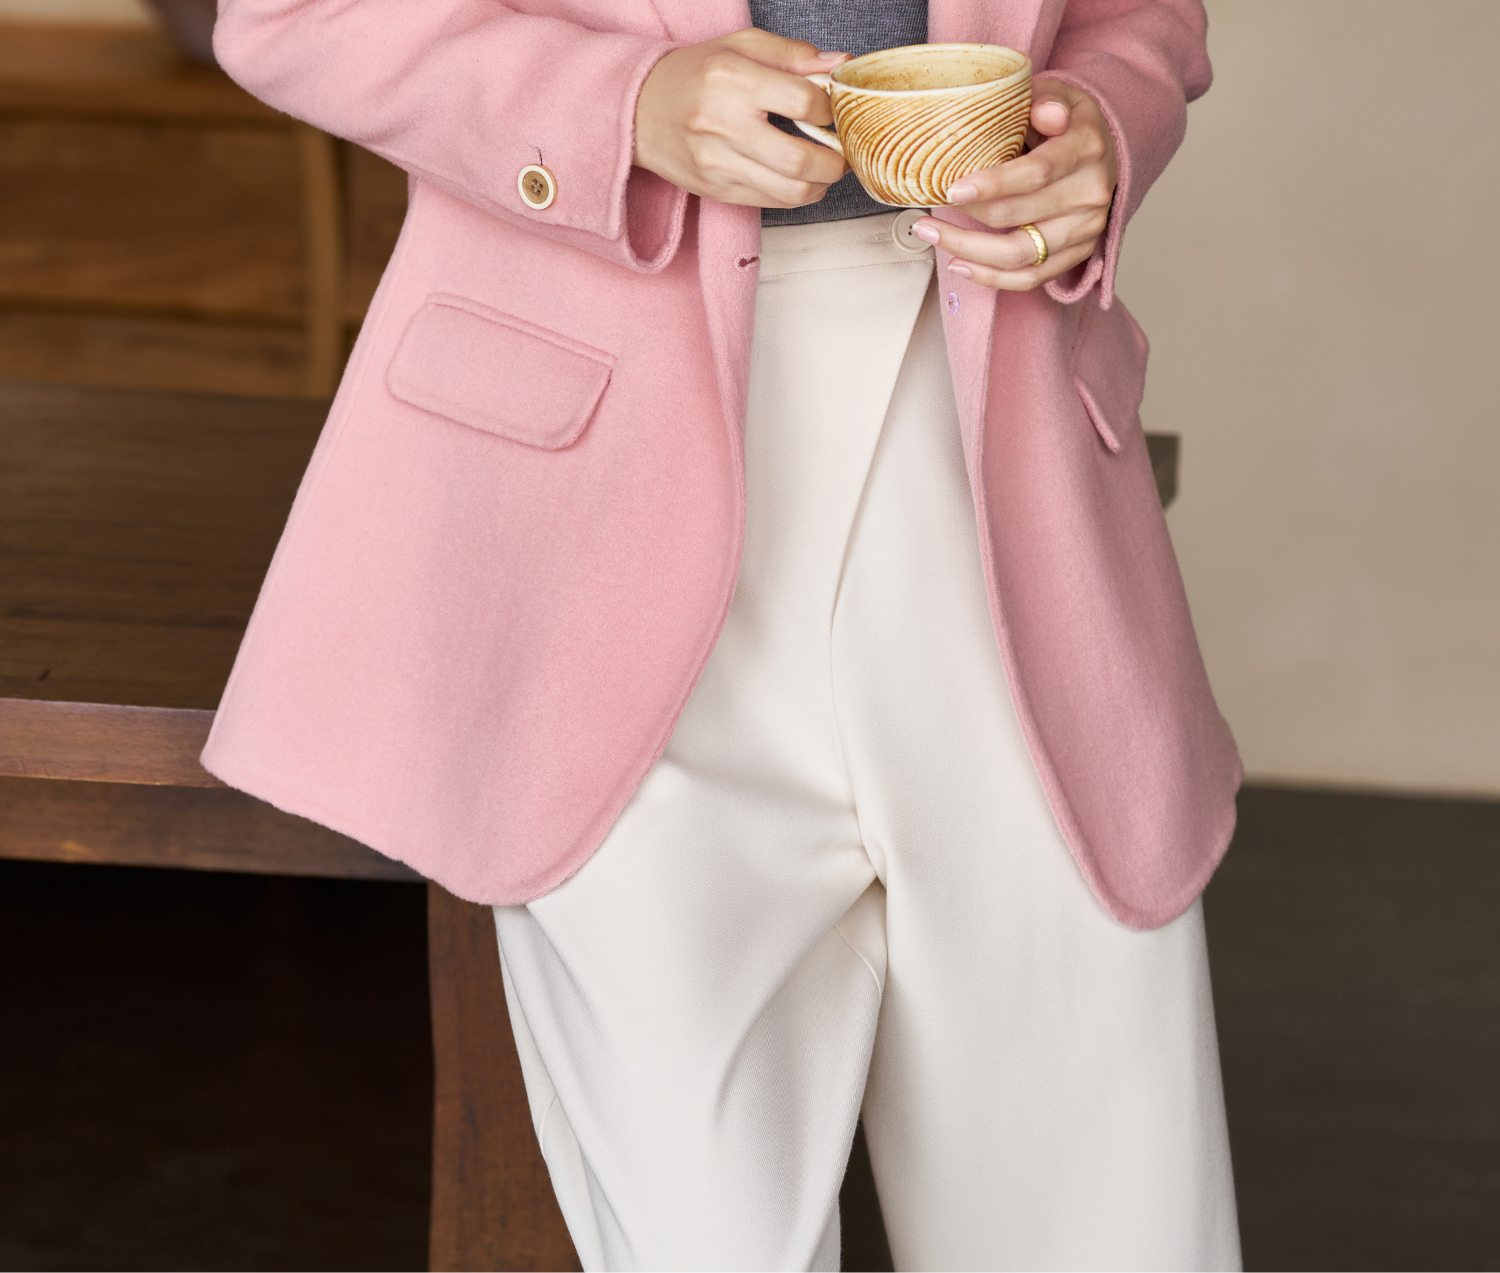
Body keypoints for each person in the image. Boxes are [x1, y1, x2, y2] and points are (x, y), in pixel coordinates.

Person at [205, 0, 1242, 1267]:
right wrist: (623, 108)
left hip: (1012, 488)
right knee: (704, 1233)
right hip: (600, 507)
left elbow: (1140, 20)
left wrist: (1103, 134)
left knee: (1107, 1217)